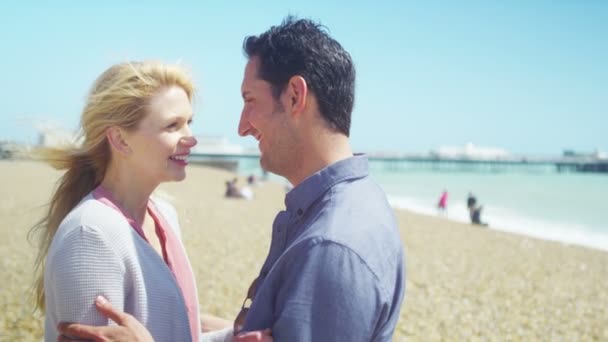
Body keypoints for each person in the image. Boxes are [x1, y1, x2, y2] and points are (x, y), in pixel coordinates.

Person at [60, 16, 405, 341]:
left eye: (249, 100)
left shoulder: (330, 246)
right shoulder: (361, 204)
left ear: (295, 97)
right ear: (119, 139)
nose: (241, 127)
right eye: (172, 124)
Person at [30, 61, 234, 342]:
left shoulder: (164, 214)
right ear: (120, 140)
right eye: (172, 125)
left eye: (189, 122)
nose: (191, 138)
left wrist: (237, 335)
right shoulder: (91, 235)